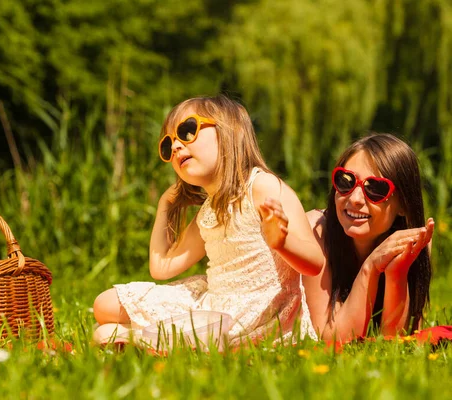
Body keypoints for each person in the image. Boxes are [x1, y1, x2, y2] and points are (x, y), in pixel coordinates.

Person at [92, 94, 323, 347]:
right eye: (168, 146)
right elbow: (161, 268)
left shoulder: (263, 186)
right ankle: (152, 339)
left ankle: (145, 338)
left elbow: (315, 262)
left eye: (187, 131)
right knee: (104, 305)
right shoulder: (209, 211)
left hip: (259, 315)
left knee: (103, 333)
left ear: (229, 131)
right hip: (215, 306)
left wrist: (282, 242)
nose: (177, 147)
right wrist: (164, 205)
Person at [303, 133, 434, 342]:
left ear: (404, 204)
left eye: (375, 189)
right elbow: (331, 338)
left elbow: (395, 341)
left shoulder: (413, 242)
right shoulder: (314, 233)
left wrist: (396, 273)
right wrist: (370, 268)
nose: (355, 199)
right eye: (346, 181)